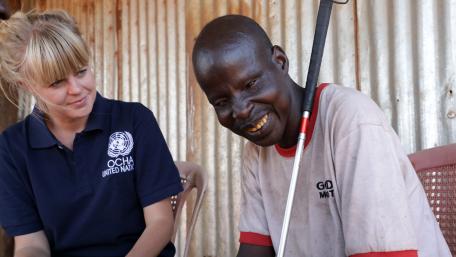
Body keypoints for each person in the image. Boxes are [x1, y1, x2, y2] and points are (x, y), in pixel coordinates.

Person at [192, 15, 452, 257]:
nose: (241, 110)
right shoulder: (256, 151)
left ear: (280, 62)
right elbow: (255, 251)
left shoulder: (351, 120)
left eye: (250, 84)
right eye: (221, 101)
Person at [0, 10, 183, 257]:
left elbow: (160, 223)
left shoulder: (134, 120)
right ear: (26, 84)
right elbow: (31, 244)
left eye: (81, 71)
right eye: (57, 82)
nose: (77, 89)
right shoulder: (11, 149)